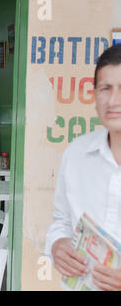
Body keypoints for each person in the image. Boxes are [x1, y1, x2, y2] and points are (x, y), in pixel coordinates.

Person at [45, 44, 121, 291]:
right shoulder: (76, 153)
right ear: (94, 94)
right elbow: (62, 221)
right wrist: (58, 244)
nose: (113, 100)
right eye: (105, 88)